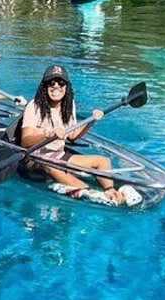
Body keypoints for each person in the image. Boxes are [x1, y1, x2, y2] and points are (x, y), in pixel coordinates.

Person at [18, 64, 129, 205]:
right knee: (51, 165)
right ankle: (90, 192)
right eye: (51, 82)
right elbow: (25, 141)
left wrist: (91, 121)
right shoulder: (34, 106)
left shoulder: (68, 105)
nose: (56, 86)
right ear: (45, 86)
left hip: (58, 155)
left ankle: (110, 191)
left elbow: (73, 136)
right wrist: (48, 135)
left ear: (66, 86)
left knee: (103, 161)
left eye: (61, 82)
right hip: (34, 158)